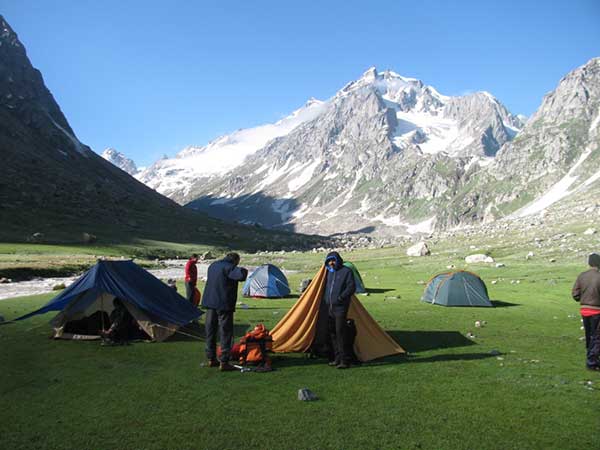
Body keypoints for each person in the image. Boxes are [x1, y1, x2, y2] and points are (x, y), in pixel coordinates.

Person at [201, 252, 248, 371]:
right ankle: (224, 361)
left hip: (210, 302)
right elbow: (241, 276)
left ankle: (211, 358)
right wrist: (243, 269)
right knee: (225, 331)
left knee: (210, 330)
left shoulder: (213, 265)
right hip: (223, 304)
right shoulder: (230, 267)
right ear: (235, 260)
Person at [323, 251, 356, 369]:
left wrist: (341, 298)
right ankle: (337, 358)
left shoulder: (346, 271)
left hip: (340, 308)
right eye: (329, 261)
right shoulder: (329, 272)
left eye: (333, 260)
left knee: (340, 333)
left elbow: (351, 287)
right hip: (330, 308)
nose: (331, 263)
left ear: (338, 260)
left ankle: (344, 360)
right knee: (332, 333)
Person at [572, 253, 600, 371]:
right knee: (597, 337)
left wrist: (582, 299)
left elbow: (575, 294)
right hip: (597, 310)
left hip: (584, 309)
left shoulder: (582, 276)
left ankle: (592, 359)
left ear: (589, 263)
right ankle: (591, 362)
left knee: (589, 336)